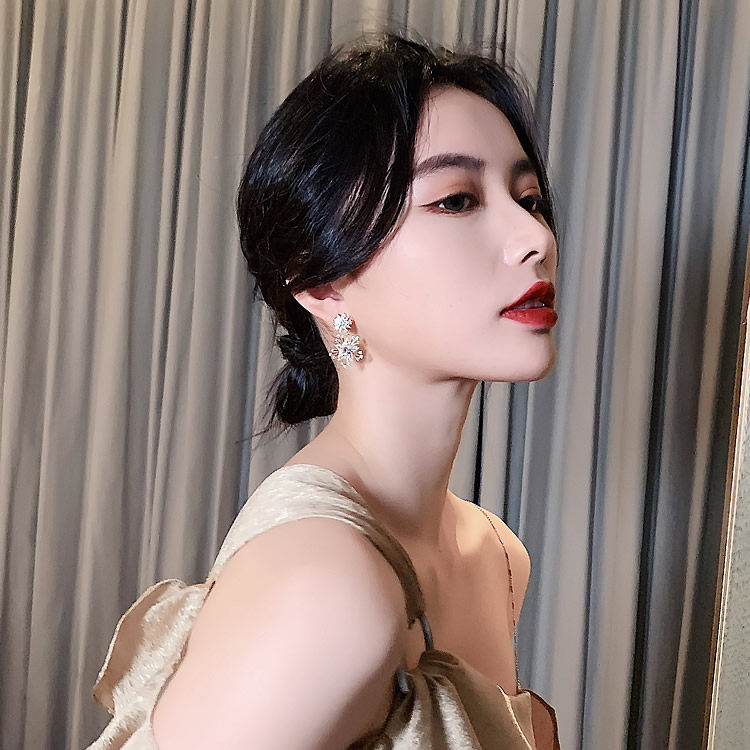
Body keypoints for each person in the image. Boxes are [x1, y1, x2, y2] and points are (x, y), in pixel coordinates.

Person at [87, 31, 562, 749]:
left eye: (529, 198)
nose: (535, 238)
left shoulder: (496, 555)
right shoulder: (327, 586)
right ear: (323, 281)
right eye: (458, 200)